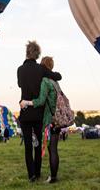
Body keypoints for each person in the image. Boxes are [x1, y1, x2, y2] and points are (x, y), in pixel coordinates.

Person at [17, 41, 61, 182]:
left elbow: (19, 84)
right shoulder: (41, 69)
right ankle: (37, 172)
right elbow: (58, 76)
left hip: (25, 112)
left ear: (26, 53)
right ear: (37, 54)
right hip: (38, 114)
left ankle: (31, 176)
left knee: (28, 146)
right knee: (38, 145)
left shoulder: (20, 69)